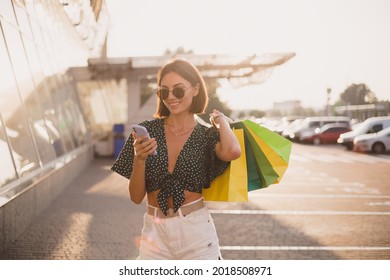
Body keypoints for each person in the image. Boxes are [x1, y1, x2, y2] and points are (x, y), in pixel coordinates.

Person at [111, 58, 241, 260]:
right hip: (154, 234)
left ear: (196, 89)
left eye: (178, 90)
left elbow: (233, 151)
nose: (171, 97)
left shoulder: (206, 136)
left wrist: (221, 120)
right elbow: (136, 198)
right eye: (164, 91)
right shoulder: (147, 132)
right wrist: (140, 158)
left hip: (196, 234)